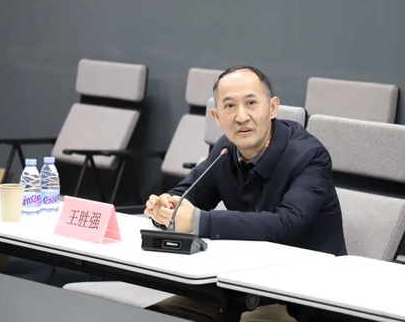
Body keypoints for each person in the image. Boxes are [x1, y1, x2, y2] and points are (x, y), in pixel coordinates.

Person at [145, 65, 346, 321]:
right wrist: (166, 207)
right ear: (217, 117)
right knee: (160, 315)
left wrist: (198, 221)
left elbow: (288, 224)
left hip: (305, 295)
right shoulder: (225, 150)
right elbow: (188, 195)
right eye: (230, 106)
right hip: (241, 283)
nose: (241, 117)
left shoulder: (309, 156)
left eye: (251, 103)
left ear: (272, 107)